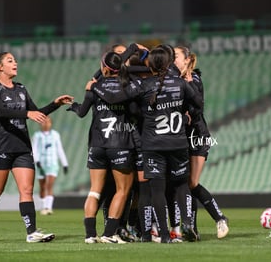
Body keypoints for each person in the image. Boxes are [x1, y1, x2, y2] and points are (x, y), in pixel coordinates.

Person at [87, 47, 203, 243]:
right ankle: (187, 224)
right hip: (177, 142)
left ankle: (163, 235)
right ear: (169, 63)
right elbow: (198, 103)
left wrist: (94, 86)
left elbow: (116, 98)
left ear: (150, 64)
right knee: (181, 184)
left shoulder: (143, 85)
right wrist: (184, 113)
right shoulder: (180, 83)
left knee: (154, 190)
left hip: (152, 144)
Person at [0, 52, 73, 243]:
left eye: (15, 60)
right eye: (10, 60)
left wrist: (55, 104)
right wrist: (27, 113)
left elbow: (36, 113)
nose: (15, 63)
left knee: (27, 190)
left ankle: (31, 232)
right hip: (0, 147)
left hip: (22, 147)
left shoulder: (21, 89)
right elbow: (1, 111)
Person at [67, 51, 136, 244]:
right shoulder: (126, 85)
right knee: (122, 190)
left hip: (96, 145)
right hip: (120, 144)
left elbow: (81, 113)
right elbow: (133, 112)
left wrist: (73, 106)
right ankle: (109, 234)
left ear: (104, 67)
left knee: (95, 190)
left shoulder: (93, 87)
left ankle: (90, 235)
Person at [174, 45, 229, 239]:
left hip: (196, 135)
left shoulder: (194, 79)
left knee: (192, 182)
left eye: (177, 56)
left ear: (187, 60)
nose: (173, 59)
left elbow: (197, 108)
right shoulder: (175, 80)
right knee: (185, 184)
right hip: (179, 136)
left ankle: (220, 218)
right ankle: (193, 229)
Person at [32, 116, 69, 215]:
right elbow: (34, 149)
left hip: (52, 163)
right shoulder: (37, 135)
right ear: (40, 124)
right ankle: (43, 206)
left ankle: (48, 207)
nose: (46, 124)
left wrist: (65, 163)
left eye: (48, 122)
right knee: (42, 186)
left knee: (49, 185)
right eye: (44, 122)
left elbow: (59, 149)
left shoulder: (55, 135)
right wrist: (37, 161)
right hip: (41, 163)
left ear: (51, 124)